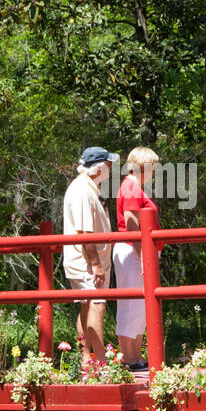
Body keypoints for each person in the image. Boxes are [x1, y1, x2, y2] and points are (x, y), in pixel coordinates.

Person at [63, 146, 118, 363]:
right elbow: (84, 233)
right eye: (108, 163)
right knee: (97, 305)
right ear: (98, 167)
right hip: (86, 263)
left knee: (87, 305)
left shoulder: (90, 188)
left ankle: (87, 358)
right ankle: (101, 362)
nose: (111, 168)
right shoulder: (82, 191)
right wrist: (96, 265)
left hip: (89, 261)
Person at [113, 146, 160, 369]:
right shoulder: (131, 187)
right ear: (143, 167)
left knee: (140, 306)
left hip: (137, 251)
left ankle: (136, 355)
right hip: (132, 250)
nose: (154, 171)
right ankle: (128, 357)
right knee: (130, 305)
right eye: (152, 167)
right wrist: (143, 255)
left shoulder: (134, 187)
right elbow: (132, 222)